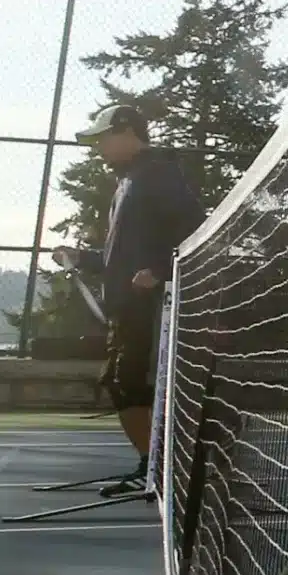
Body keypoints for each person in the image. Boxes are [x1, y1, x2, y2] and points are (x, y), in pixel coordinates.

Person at [73, 104, 204, 497]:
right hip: (127, 309)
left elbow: (196, 231)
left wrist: (161, 271)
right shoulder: (128, 181)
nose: (98, 148)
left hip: (151, 310)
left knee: (129, 383)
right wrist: (83, 258)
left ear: (128, 132)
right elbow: (122, 259)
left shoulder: (158, 173)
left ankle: (160, 471)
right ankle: (155, 467)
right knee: (123, 384)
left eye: (103, 138)